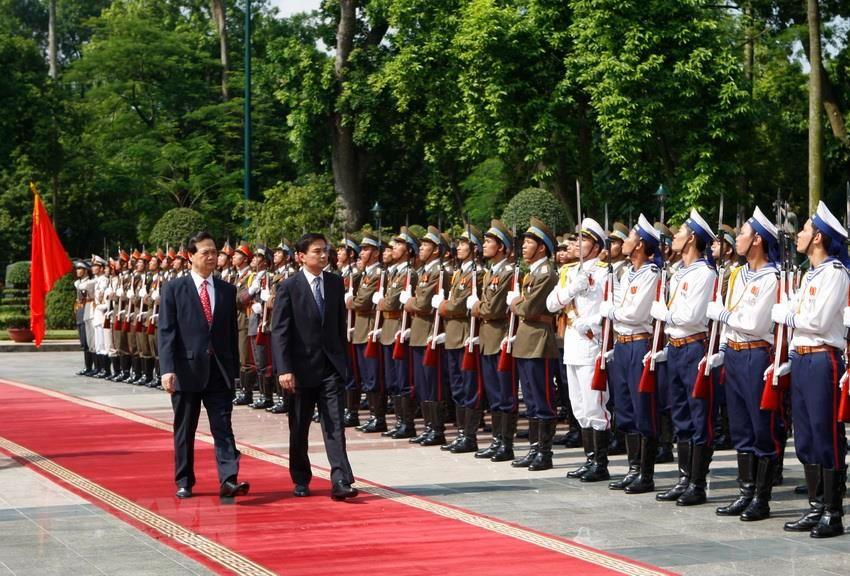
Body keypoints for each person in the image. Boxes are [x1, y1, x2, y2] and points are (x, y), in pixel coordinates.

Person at [158, 231, 249, 500]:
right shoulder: (174, 289)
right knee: (185, 429)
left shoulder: (226, 289)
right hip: (186, 370)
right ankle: (184, 480)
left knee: (223, 426)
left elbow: (231, 334)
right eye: (205, 252)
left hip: (218, 371)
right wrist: (167, 369)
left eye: (214, 252)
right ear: (190, 256)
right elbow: (166, 331)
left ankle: (229, 479)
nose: (212, 257)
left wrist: (233, 371)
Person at [706, 207, 783, 521]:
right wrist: (723, 345)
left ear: (757, 241)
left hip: (755, 353)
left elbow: (752, 321)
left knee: (760, 426)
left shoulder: (771, 277)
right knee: (740, 427)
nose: (736, 239)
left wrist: (721, 315)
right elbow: (734, 319)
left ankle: (761, 498)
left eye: (742, 234)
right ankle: (745, 491)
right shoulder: (738, 274)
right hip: (736, 353)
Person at [777, 201, 848, 538]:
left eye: (805, 229)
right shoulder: (809, 273)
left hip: (822, 359)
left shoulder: (835, 273)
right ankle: (816, 506)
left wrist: (788, 316)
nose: (799, 235)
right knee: (804, 435)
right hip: (804, 358)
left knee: (826, 435)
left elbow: (816, 321)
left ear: (818, 237)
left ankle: (833, 513)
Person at [271, 232, 358, 501]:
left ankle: (341, 479)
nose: (323, 255)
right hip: (300, 370)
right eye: (317, 251)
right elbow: (280, 332)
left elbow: (339, 326)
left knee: (334, 424)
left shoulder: (334, 283)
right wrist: (284, 369)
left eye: (325, 251)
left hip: (330, 367)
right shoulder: (288, 287)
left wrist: (344, 362)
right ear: (301, 257)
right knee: (299, 427)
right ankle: (300, 477)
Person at [650, 209, 717, 506]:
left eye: (678, 233)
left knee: (698, 414)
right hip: (676, 346)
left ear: (691, 238)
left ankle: (697, 482)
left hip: (693, 346)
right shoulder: (678, 271)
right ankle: (684, 477)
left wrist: (664, 314)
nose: (673, 237)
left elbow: (691, 316)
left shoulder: (704, 273)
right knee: (680, 414)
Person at [547, 217, 614, 481]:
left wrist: (594, 323)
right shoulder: (570, 272)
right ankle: (589, 460)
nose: (577, 243)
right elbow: (552, 304)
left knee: (595, 405)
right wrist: (574, 287)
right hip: (573, 348)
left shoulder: (607, 273)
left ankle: (601, 463)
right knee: (578, 407)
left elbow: (613, 309)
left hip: (592, 345)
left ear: (596, 245)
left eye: (583, 239)